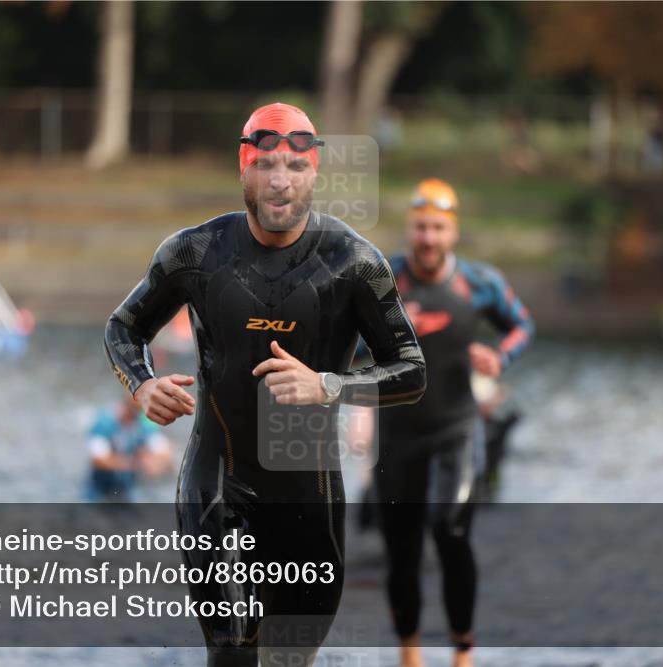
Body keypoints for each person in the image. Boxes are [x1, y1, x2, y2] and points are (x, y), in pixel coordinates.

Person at [104, 102, 426, 667]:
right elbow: (123, 327)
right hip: (217, 483)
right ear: (243, 167)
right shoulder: (195, 253)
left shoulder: (353, 263)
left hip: (309, 498)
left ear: (315, 173)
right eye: (267, 165)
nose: (280, 182)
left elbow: (410, 370)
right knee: (231, 650)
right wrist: (142, 385)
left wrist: (328, 384)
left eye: (295, 168)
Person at [374, 178, 534, 667]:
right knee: (400, 549)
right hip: (397, 434)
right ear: (410, 228)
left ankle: (463, 650)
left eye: (438, 228)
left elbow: (522, 325)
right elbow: (347, 337)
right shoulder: (382, 280)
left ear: (453, 232)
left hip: (455, 428)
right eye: (421, 227)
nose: (428, 237)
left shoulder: (479, 282)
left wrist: (499, 357)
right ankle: (410, 652)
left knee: (450, 529)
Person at [85, 394, 174, 501]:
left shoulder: (142, 423)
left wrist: (153, 462)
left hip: (127, 492)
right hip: (98, 493)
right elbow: (98, 460)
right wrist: (134, 463)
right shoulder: (104, 423)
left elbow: (164, 450)